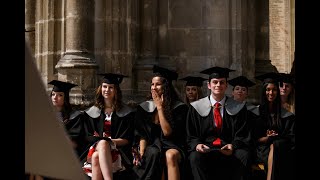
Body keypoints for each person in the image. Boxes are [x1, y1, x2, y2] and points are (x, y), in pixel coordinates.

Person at [186, 66, 251, 180]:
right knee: (194, 157)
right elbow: (191, 134)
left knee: (243, 155)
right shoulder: (196, 107)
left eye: (222, 82)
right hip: (206, 149)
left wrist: (233, 145)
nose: (218, 85)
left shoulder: (238, 107)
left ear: (226, 85)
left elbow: (242, 133)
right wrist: (197, 145)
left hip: (229, 148)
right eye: (215, 82)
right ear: (209, 85)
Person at [132, 65, 189, 180]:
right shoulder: (144, 108)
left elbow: (167, 133)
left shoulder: (179, 108)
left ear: (166, 86)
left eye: (158, 84)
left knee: (169, 155)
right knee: (154, 153)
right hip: (153, 145)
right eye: (152, 84)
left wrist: (159, 107)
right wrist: (141, 151)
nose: (154, 87)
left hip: (173, 144)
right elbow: (142, 133)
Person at [82, 73, 135, 180]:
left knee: (98, 154)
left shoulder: (125, 113)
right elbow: (88, 136)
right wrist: (103, 142)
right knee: (101, 145)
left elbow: (127, 139)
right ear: (100, 89)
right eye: (104, 87)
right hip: (96, 148)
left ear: (116, 91)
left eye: (111, 87)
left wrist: (110, 142)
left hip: (118, 150)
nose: (107, 90)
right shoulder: (92, 112)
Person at [254, 72, 295, 180]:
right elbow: (251, 138)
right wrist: (268, 138)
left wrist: (276, 137)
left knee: (277, 146)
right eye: (268, 89)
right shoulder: (254, 113)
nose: (271, 93)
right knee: (275, 147)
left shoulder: (285, 115)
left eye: (274, 90)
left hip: (280, 147)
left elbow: (290, 137)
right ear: (263, 91)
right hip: (261, 149)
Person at [48, 80, 87, 158]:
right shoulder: (46, 116)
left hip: (68, 154)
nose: (55, 97)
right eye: (53, 94)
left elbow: (75, 143)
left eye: (60, 95)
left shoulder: (75, 117)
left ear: (65, 98)